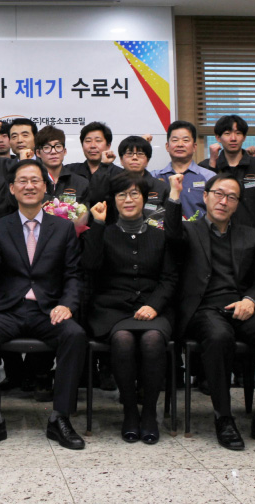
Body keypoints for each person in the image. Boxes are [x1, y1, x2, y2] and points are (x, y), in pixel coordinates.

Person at [165, 172, 255, 452]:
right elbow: (171, 234)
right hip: (205, 310)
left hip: (241, 306)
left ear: (237, 204)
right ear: (205, 196)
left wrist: (250, 299)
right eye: (218, 194)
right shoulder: (189, 231)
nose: (223, 201)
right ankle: (223, 417)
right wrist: (175, 195)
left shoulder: (249, 234)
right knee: (218, 337)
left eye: (231, 197)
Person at [0, 159, 88, 451]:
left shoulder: (63, 228)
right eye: (22, 181)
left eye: (35, 180)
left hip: (47, 310)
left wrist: (67, 305)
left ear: (45, 188)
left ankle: (60, 417)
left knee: (75, 335)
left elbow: (73, 274)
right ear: (11, 189)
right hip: (8, 309)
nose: (29, 186)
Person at [82, 172, 177, 444]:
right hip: (112, 309)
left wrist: (154, 306)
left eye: (135, 193)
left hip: (153, 308)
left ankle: (149, 412)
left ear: (145, 199)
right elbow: (90, 266)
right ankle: (129, 412)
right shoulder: (104, 231)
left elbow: (170, 279)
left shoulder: (160, 236)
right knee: (122, 340)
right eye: (122, 194)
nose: (128, 199)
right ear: (113, 200)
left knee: (152, 339)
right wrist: (97, 225)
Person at [200, 115, 255, 228]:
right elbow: (202, 201)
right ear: (218, 137)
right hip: (215, 235)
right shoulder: (206, 167)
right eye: (227, 134)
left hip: (252, 236)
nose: (233, 138)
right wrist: (212, 167)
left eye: (238, 133)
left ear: (244, 137)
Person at [152, 121, 215, 220]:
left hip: (199, 233)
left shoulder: (209, 177)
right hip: (162, 233)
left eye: (185, 140)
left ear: (194, 147)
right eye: (175, 140)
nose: (180, 144)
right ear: (167, 146)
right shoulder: (155, 177)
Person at [65, 121, 119, 206]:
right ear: (82, 145)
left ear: (108, 145)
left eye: (98, 141)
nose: (93, 145)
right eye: (88, 141)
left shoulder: (119, 174)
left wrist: (103, 166)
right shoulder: (70, 171)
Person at [34, 126, 90, 205]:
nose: (53, 152)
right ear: (38, 153)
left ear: (65, 151)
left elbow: (84, 215)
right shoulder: (31, 183)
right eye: (47, 148)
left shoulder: (80, 183)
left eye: (58, 147)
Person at [117, 135, 168, 221]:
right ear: (121, 160)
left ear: (147, 161)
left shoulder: (162, 187)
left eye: (140, 154)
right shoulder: (114, 186)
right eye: (129, 154)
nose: (134, 157)